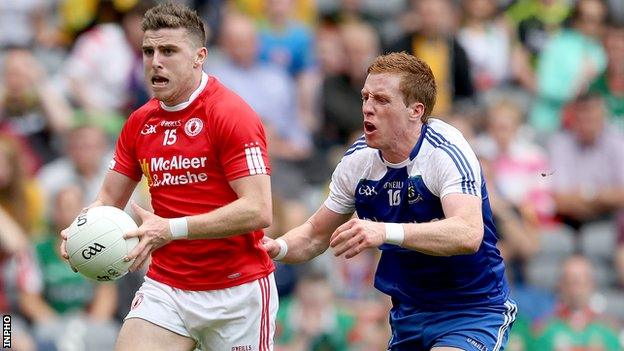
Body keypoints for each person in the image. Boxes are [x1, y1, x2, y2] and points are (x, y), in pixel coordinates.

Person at [263, 52, 517, 350]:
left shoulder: (444, 152)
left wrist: (385, 232)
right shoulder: (358, 162)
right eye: (365, 97)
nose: (367, 108)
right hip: (408, 315)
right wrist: (273, 248)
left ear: (415, 110)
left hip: (472, 311)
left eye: (381, 100)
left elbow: (468, 233)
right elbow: (314, 235)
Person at [59, 3, 277, 351]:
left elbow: (259, 210)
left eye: (169, 51)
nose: (155, 61)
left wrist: (171, 229)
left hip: (236, 291)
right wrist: (80, 228)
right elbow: (107, 199)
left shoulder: (232, 115)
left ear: (199, 56)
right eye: (149, 51)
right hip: (168, 287)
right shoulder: (139, 122)